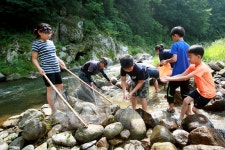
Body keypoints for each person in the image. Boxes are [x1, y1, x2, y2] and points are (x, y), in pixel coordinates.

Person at [160, 45, 216, 126]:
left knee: (195, 109)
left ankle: (208, 123)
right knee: (186, 100)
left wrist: (169, 79)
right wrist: (168, 77)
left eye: (190, 57)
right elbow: (183, 74)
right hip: (200, 90)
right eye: (188, 56)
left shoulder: (202, 68)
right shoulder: (193, 65)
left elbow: (185, 78)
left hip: (207, 93)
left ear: (198, 57)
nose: (188, 59)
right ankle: (180, 119)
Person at [32, 23, 66, 114]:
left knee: (60, 86)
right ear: (40, 32)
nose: (49, 35)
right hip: (47, 69)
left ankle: (61, 104)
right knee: (50, 89)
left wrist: (60, 61)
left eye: (50, 33)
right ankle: (53, 110)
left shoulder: (51, 42)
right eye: (47, 33)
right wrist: (39, 68)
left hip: (56, 67)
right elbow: (34, 58)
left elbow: (54, 55)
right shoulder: (36, 44)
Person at [161, 26, 190, 114]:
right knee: (185, 92)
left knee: (170, 90)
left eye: (172, 37)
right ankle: (188, 111)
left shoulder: (175, 45)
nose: (172, 39)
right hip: (186, 74)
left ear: (176, 35)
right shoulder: (188, 45)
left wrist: (166, 61)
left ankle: (171, 108)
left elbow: (174, 59)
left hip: (177, 74)